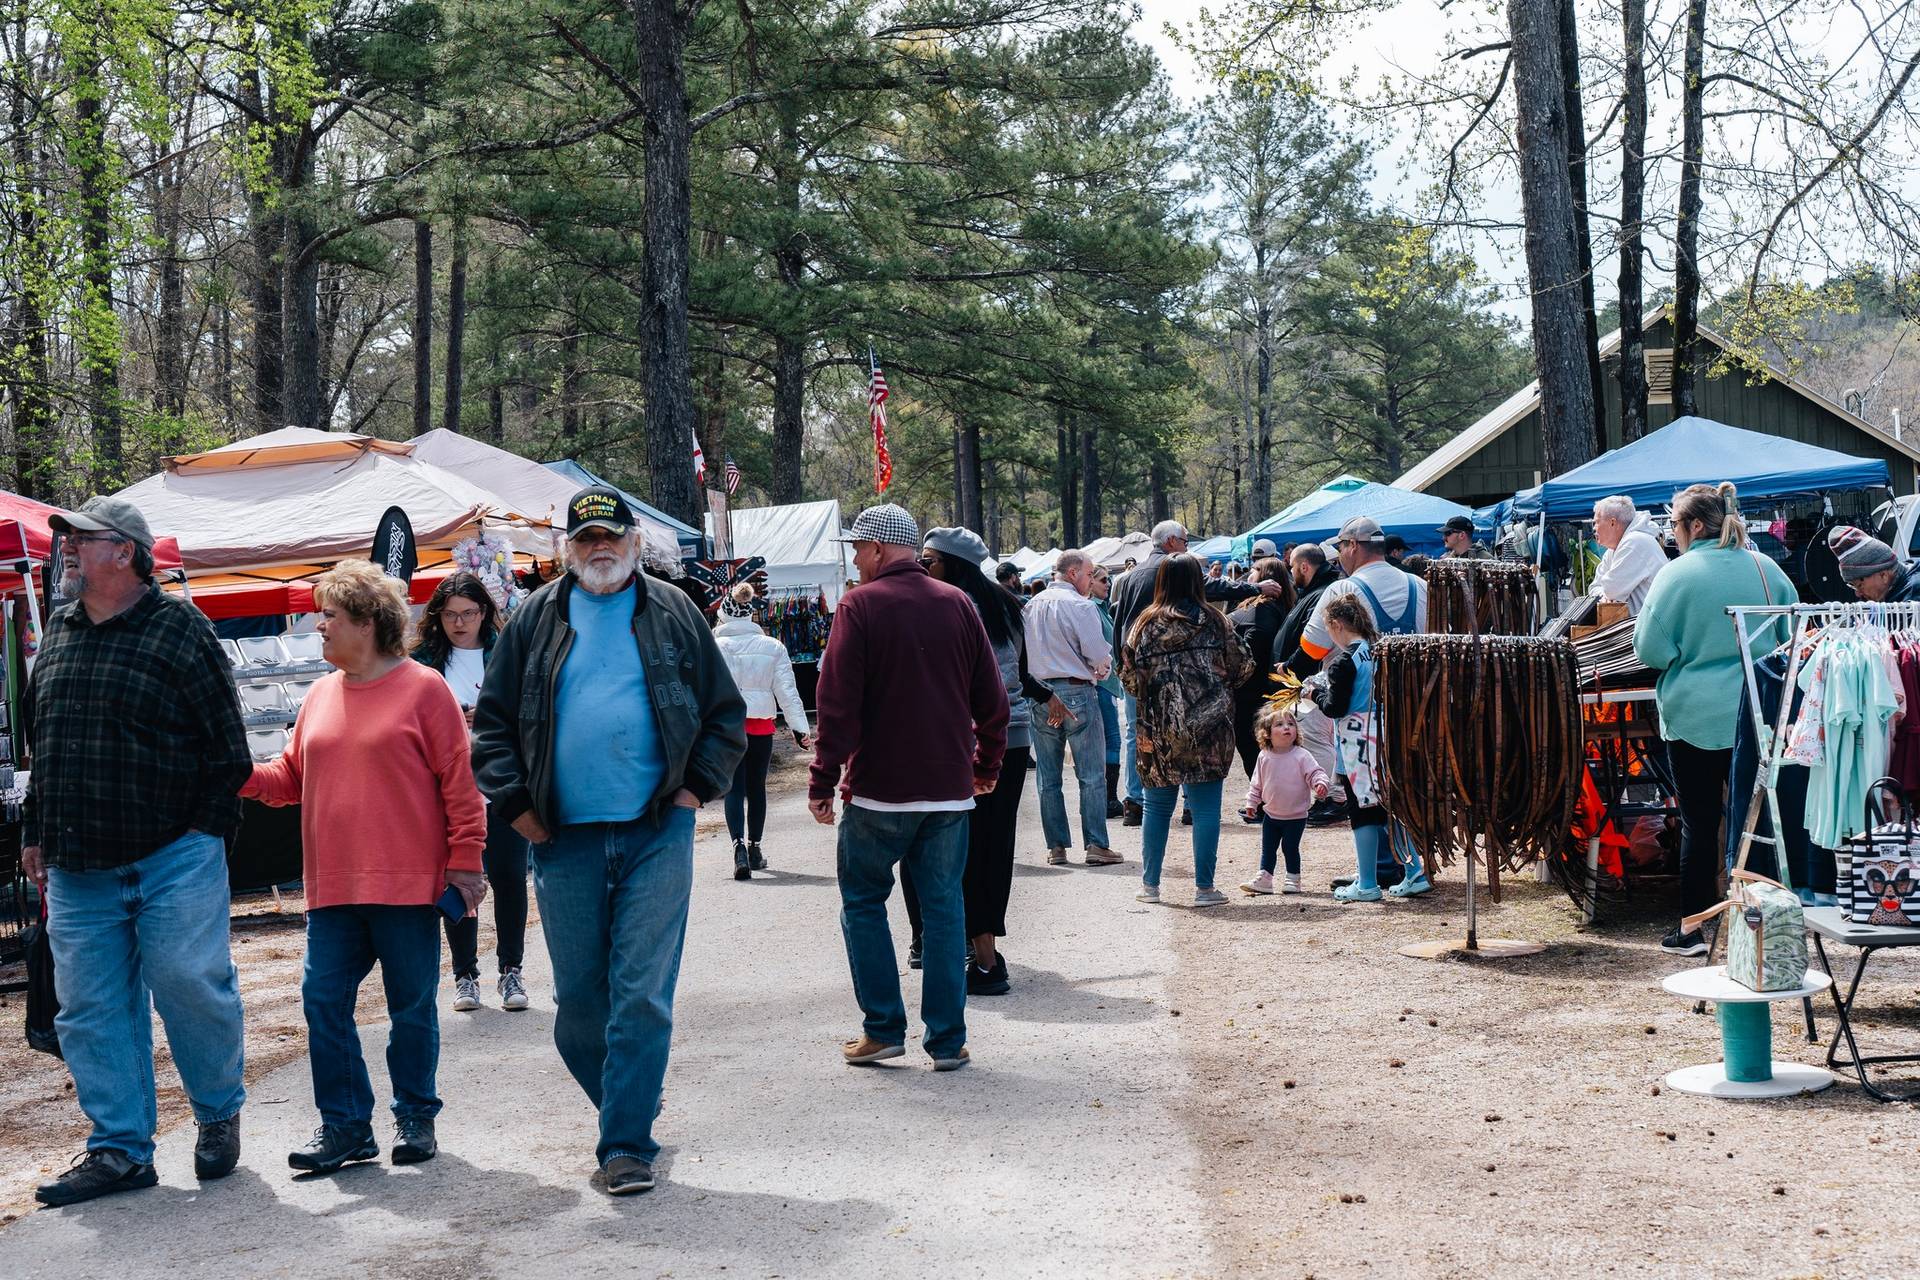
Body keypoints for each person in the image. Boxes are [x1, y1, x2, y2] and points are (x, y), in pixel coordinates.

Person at [472, 485, 746, 1196]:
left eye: (612, 536)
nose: (601, 548)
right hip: (562, 838)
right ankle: (630, 1096)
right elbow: (493, 725)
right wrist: (516, 808)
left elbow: (724, 713)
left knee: (643, 994)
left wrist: (694, 791)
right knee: (580, 1007)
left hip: (658, 829)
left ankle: (625, 1143)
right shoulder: (534, 617)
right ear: (568, 546)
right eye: (587, 538)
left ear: (632, 542)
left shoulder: (673, 609)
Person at [25, 497, 252, 1208]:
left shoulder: (179, 627)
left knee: (189, 983)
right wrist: (36, 829)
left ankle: (217, 1114)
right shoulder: (59, 630)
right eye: (64, 540)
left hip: (172, 856)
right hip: (77, 866)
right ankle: (120, 1151)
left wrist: (203, 833)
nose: (65, 550)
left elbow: (228, 748)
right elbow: (47, 739)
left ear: (124, 552)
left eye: (80, 540)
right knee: (88, 1011)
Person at [245, 561, 487, 1174]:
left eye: (328, 616)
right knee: (322, 1001)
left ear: (368, 623)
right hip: (332, 887)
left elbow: (461, 786)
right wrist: (235, 771)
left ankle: (415, 1116)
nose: (316, 626)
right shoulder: (320, 694)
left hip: (407, 884)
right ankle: (347, 1127)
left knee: (410, 1009)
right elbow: (289, 780)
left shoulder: (424, 688)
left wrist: (466, 863)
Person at [809, 504, 1008, 1073]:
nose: (853, 559)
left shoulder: (860, 604)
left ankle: (882, 1029)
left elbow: (837, 702)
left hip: (880, 792)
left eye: (856, 549)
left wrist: (823, 779)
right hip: (948, 790)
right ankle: (947, 1040)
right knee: (946, 911)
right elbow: (991, 701)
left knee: (864, 902)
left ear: (876, 548)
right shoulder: (958, 603)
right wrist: (986, 765)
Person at [1634, 482, 1796, 956]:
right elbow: (1791, 638)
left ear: (1695, 526)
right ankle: (1767, 925)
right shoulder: (1767, 568)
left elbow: (1650, 650)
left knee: (1698, 825)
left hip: (1695, 715)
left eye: (1675, 525)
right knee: (1761, 822)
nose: (1673, 534)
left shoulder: (1677, 575)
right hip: (1758, 714)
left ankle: (1690, 930)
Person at [900, 527, 1039, 995]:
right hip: (1013, 738)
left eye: (930, 561)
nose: (923, 568)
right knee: (992, 847)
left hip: (963, 738)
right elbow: (1021, 673)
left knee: (932, 840)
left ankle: (944, 943)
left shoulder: (947, 607)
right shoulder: (1007, 605)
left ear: (951, 565)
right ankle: (983, 952)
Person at [410, 572, 531, 1014]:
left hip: (502, 784)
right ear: (436, 617)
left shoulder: (508, 653)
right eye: (450, 614)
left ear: (485, 612)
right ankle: (465, 975)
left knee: (509, 878)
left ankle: (511, 970)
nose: (460, 623)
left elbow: (531, 712)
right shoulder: (422, 663)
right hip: (448, 789)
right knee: (459, 881)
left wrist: (494, 716)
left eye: (469, 613)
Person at [1120, 554, 1255, 908]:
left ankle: (1150, 886)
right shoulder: (1216, 622)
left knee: (1156, 808)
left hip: (1157, 731)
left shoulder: (1143, 625)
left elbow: (1130, 680)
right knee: (1206, 811)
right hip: (1209, 730)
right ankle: (1204, 888)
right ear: (1198, 580)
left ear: (1161, 581)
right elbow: (1243, 668)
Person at [1305, 594, 1422, 902]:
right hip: (1386, 732)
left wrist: (1313, 694)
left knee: (1363, 809)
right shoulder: (1381, 652)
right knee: (1390, 805)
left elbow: (1334, 707)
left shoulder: (1344, 662)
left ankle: (1368, 883)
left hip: (1358, 741)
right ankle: (1415, 871)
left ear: (1336, 625)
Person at [1023, 549, 1119, 867]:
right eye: (1090, 574)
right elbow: (1097, 654)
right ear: (1074, 573)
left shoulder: (1031, 605)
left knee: (1048, 776)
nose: (1092, 581)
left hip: (1040, 693)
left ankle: (1056, 846)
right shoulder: (1080, 605)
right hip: (1076, 689)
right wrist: (1102, 671)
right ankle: (1095, 843)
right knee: (1091, 773)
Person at [712, 582, 811, 880]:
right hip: (760, 726)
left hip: (728, 727)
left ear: (725, 614)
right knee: (757, 789)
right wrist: (799, 728)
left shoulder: (714, 646)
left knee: (734, 787)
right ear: (749, 615)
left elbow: (704, 691)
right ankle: (755, 848)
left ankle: (738, 847)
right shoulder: (772, 647)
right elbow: (788, 692)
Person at [1111, 521, 1189, 826]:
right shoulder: (1174, 570)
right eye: (1184, 541)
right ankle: (1190, 803)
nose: (1186, 547)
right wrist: (1252, 587)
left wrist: (1123, 662)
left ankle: (1134, 801)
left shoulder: (1131, 577)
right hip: (1169, 666)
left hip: (1136, 667)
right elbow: (1209, 589)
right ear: (1170, 541)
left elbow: (1119, 621)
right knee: (1179, 729)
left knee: (1136, 733)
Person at [1275, 543, 1344, 822]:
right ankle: (1332, 795)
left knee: (1317, 738)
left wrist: (1290, 666)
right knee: (1321, 738)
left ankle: (1332, 798)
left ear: (1305, 566)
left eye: (1293, 567)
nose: (1291, 573)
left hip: (1321, 677)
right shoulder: (1320, 590)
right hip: (1317, 676)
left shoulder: (1326, 593)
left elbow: (1316, 642)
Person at [1239, 706, 1329, 895]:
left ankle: (1293, 879)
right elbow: (1257, 783)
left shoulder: (1301, 755)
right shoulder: (1264, 756)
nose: (1286, 727)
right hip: (1271, 815)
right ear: (1267, 733)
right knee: (1268, 849)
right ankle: (1265, 879)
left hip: (1296, 816)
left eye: (1291, 724)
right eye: (1279, 724)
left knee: (1290, 848)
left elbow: (1315, 773)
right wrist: (1251, 802)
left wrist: (1320, 784)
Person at [1228, 555, 1295, 784]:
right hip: (1261, 688)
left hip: (1251, 690)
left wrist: (1235, 675)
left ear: (1267, 576)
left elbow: (1256, 644)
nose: (1250, 574)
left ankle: (1265, 800)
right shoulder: (1276, 607)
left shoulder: (1263, 608)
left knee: (1253, 744)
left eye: (1255, 570)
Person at [1591, 495, 1667, 615]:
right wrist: (1603, 595)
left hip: (1650, 627)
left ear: (1612, 523)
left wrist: (1603, 594)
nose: (1594, 529)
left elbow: (1611, 590)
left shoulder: (1634, 542)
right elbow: (1594, 589)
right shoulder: (1613, 550)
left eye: (1596, 522)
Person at [1090, 563, 1125, 818]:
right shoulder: (1091, 609)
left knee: (1110, 740)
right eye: (1103, 580)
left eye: (1108, 580)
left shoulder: (1103, 609)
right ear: (1090, 581)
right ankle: (1108, 799)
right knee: (1111, 740)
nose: (1108, 584)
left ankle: (1108, 798)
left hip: (1107, 684)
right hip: (1100, 685)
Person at [1830, 525, 1920, 602]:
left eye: (1860, 586)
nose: (1858, 594)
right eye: (1853, 586)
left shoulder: (1913, 599)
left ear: (1883, 575)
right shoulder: (1891, 590)